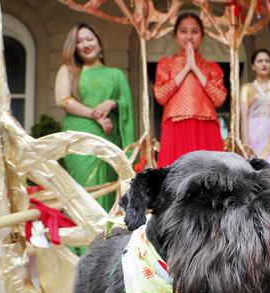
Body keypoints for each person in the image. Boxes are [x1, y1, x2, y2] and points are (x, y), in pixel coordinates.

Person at [54, 23, 136, 217]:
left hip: (108, 138)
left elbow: (126, 104)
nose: (85, 44)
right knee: (84, 188)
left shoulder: (115, 74)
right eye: (79, 41)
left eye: (89, 39)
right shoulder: (69, 71)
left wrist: (112, 103)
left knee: (107, 188)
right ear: (73, 48)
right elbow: (63, 100)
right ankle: (82, 245)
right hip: (79, 139)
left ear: (99, 42)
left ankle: (105, 240)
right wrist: (95, 115)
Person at [154, 13, 227, 167]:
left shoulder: (212, 67)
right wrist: (187, 67)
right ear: (175, 37)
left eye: (194, 31)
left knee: (209, 177)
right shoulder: (165, 64)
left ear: (202, 36)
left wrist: (195, 68)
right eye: (183, 31)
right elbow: (161, 96)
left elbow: (219, 98)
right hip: (175, 126)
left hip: (206, 127)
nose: (189, 36)